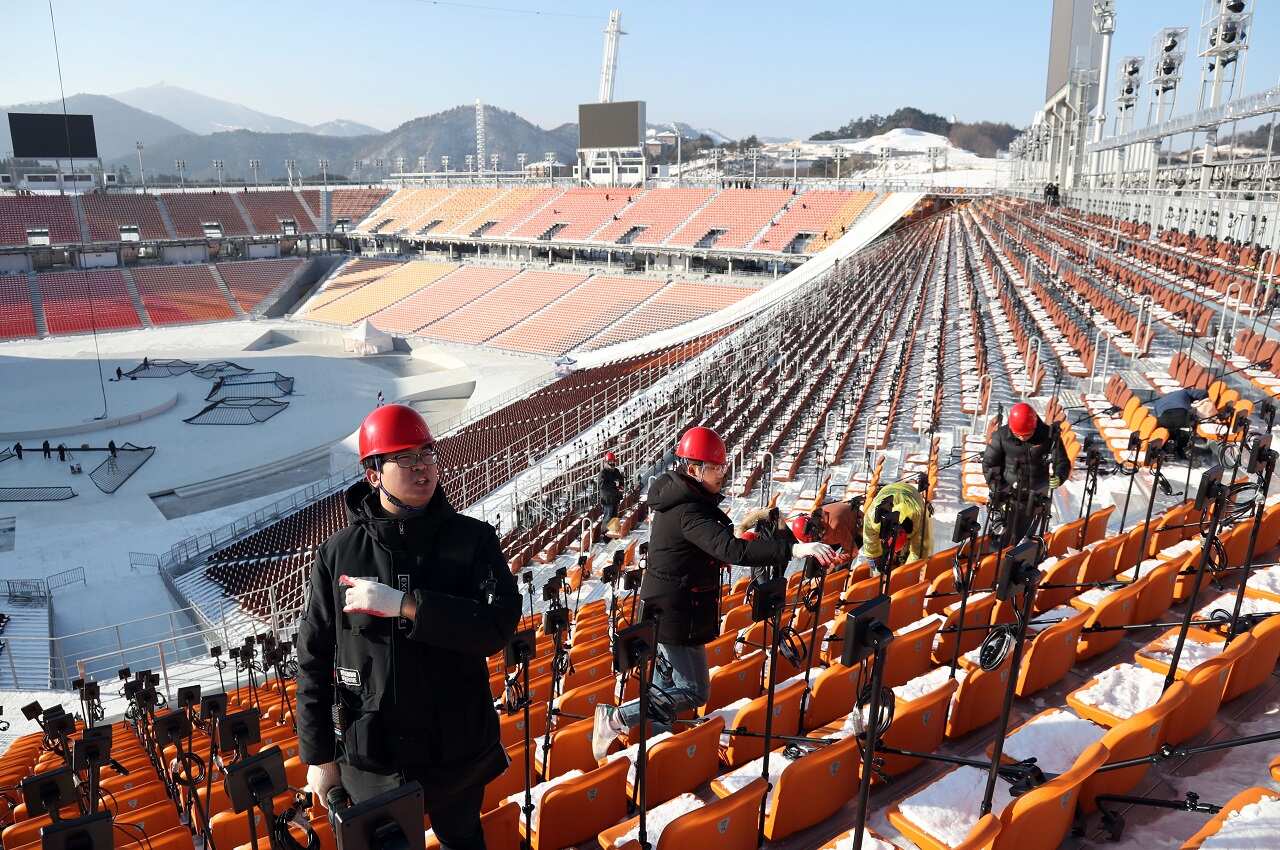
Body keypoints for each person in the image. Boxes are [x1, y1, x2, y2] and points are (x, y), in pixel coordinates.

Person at [297, 404, 521, 850]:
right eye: (405, 459)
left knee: (462, 840)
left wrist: (408, 606)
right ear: (373, 474)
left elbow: (497, 626)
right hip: (374, 758)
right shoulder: (337, 554)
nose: (423, 469)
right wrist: (318, 756)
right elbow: (314, 659)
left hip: (455, 749)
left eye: (427, 455)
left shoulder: (472, 540)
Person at [590, 426, 837, 759]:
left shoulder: (687, 499)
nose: (722, 473)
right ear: (694, 469)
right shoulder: (687, 509)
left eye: (722, 466)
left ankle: (655, 757)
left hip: (672, 605)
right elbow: (732, 551)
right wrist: (792, 551)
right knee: (693, 690)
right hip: (675, 610)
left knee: (664, 690)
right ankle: (616, 718)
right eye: (715, 467)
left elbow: (709, 548)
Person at [983, 402, 1071, 545]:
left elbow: (1062, 462)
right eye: (1019, 435)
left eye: (1027, 435)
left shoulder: (1048, 436)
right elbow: (989, 465)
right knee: (1000, 540)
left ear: (1034, 426)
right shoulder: (1001, 436)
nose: (1023, 438)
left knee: (1023, 539)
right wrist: (1000, 489)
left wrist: (1059, 476)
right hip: (1008, 496)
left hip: (1035, 497)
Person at [854, 481, 932, 574]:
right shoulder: (872, 519)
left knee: (913, 551)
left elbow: (920, 552)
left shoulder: (919, 520)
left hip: (912, 494)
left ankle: (902, 556)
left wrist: (904, 573)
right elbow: (870, 543)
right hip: (888, 491)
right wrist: (876, 565)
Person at [1152, 387, 1215, 457]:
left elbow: (1156, 415)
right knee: (1192, 422)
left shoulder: (1161, 399)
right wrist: (1201, 402)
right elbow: (1203, 393)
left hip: (1163, 418)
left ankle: (1168, 448)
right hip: (1181, 414)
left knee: (1171, 429)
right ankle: (1185, 449)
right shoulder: (1185, 392)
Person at [597, 451, 624, 537]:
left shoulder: (616, 471)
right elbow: (602, 485)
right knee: (608, 517)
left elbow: (621, 480)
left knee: (614, 516)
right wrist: (614, 484)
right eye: (610, 462)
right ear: (606, 462)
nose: (612, 464)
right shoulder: (603, 473)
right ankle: (605, 535)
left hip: (615, 498)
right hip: (607, 500)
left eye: (613, 462)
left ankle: (613, 534)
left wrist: (621, 486)